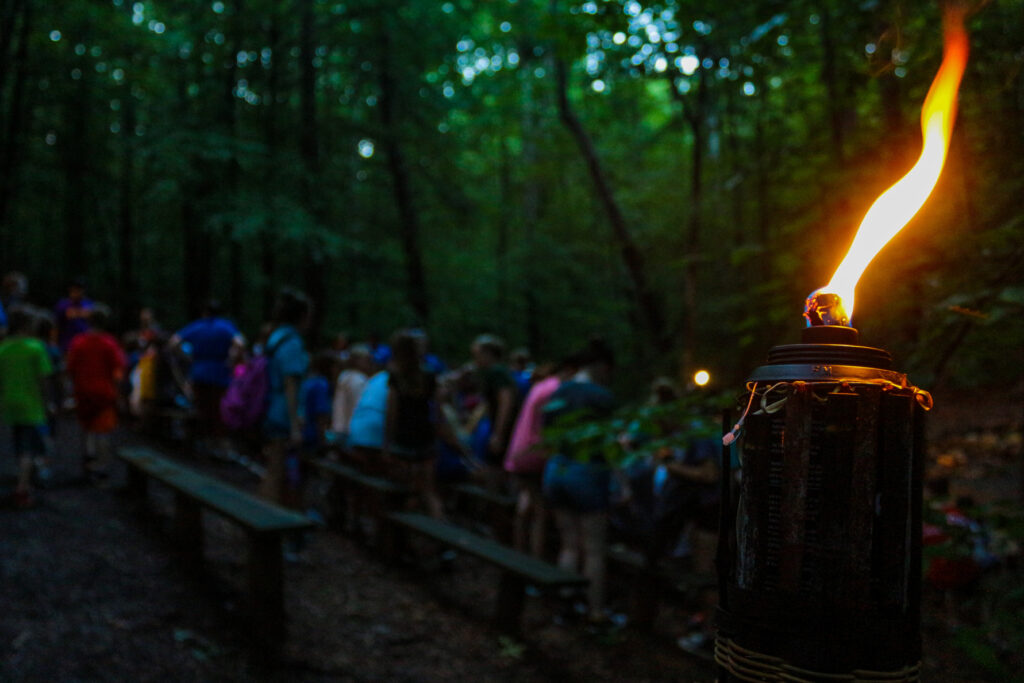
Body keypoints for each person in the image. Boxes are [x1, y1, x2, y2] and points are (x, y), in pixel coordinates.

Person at [542, 339, 617, 623]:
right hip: (587, 473)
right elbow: (610, 444)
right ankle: (596, 612)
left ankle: (566, 606)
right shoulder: (601, 396)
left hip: (557, 471)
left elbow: (547, 436)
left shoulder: (560, 390)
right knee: (595, 549)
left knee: (569, 545)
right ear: (601, 366)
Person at [384, 330, 464, 519]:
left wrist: (387, 444)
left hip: (402, 440)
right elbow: (437, 412)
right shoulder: (430, 376)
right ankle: (439, 534)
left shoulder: (396, 377)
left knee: (405, 490)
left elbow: (391, 413)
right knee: (428, 490)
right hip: (425, 439)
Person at [504, 357, 579, 557]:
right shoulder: (555, 389)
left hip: (519, 451)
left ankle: (518, 554)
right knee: (540, 512)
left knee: (526, 504)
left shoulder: (542, 384)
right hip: (534, 453)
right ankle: (534, 562)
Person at [168, 300, 245, 455]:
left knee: (200, 409)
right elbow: (240, 343)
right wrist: (232, 360)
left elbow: (173, 342)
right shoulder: (225, 326)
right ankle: (218, 446)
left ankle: (201, 445)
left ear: (205, 312)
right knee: (218, 410)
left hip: (200, 372)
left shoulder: (198, 326)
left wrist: (188, 358)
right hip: (220, 373)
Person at [259, 288, 311, 508]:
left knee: (273, 469)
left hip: (272, 407)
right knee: (276, 471)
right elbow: (291, 384)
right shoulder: (292, 342)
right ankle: (265, 521)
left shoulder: (276, 337)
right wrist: (295, 425)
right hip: (281, 413)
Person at [65, 304, 126, 483]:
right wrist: (119, 392)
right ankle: (101, 466)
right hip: (104, 393)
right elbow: (118, 371)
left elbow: (71, 368)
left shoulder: (78, 342)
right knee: (103, 431)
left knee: (87, 428)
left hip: (83, 392)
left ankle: (88, 459)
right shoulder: (109, 343)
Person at [0, 308, 54, 507]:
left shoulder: (3, 348)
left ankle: (25, 480)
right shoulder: (36, 347)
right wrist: (48, 402)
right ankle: (22, 490)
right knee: (29, 448)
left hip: (10, 403)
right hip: (31, 404)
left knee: (19, 442)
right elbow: (43, 379)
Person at [471, 334, 518, 487]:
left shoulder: (497, 372)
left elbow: (506, 401)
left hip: (504, 430)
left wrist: (498, 434)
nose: (475, 359)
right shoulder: (499, 371)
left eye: (477, 355)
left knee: (495, 469)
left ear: (488, 353)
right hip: (502, 429)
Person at [330, 344, 373, 446]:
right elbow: (358, 406)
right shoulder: (359, 380)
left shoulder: (344, 375)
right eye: (366, 359)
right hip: (349, 430)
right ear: (356, 360)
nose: (369, 362)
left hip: (338, 427)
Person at [301, 350, 338, 453]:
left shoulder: (309, 381)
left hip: (303, 431)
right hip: (312, 435)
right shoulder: (321, 385)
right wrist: (323, 441)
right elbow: (321, 415)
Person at [54, 278, 94, 353]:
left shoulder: (89, 303)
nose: (78, 292)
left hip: (85, 345)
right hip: (67, 345)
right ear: (70, 289)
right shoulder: (63, 304)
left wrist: (76, 313)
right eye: (76, 289)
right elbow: (57, 325)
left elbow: (92, 316)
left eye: (80, 289)